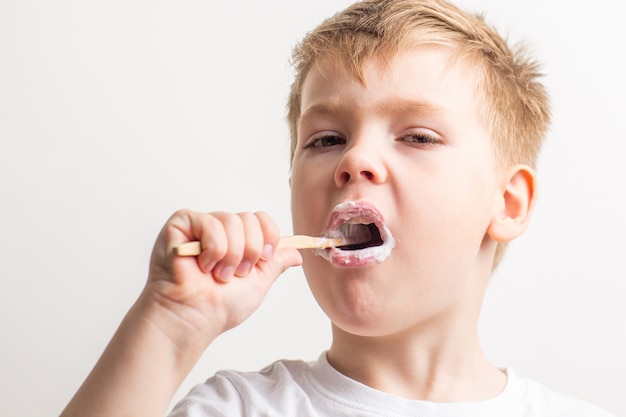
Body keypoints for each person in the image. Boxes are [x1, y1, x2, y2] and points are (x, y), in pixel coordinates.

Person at [60, 0, 615, 416]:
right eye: (325, 140)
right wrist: (170, 326)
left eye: (417, 137)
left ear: (507, 203)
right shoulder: (240, 409)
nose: (354, 159)